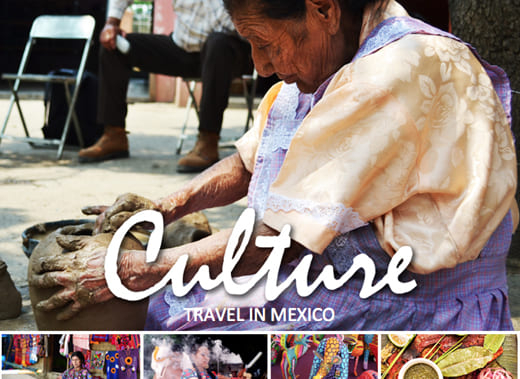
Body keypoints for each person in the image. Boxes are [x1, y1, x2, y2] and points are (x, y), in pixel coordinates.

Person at [32, 0, 517, 331]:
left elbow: (277, 239)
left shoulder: (393, 72)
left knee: (183, 332)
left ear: (323, 8)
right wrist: (164, 207)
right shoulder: (326, 58)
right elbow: (250, 160)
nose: (259, 65)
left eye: (265, 42)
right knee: (175, 310)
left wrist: (137, 268)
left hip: (417, 309)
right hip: (334, 274)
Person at [78, 0, 253, 173]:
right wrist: (112, 23)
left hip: (230, 50)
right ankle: (114, 134)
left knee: (218, 43)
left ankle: (208, 139)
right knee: (113, 46)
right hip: (182, 47)